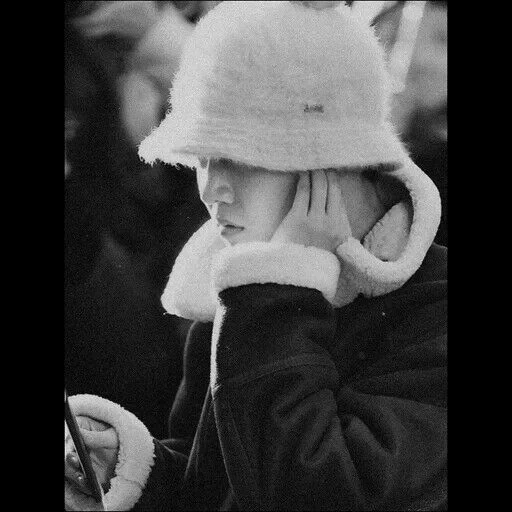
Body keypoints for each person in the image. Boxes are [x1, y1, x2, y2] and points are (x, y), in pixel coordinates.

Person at [65, 1, 447, 510]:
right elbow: (218, 486)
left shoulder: (431, 313)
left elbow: (313, 492)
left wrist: (277, 296)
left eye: (241, 157)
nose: (213, 189)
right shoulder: (243, 289)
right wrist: (138, 473)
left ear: (330, 158)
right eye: (202, 158)